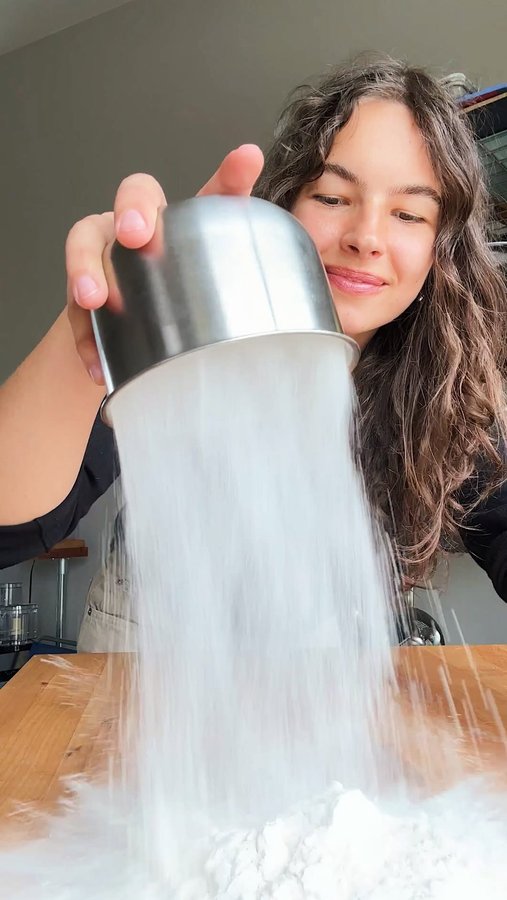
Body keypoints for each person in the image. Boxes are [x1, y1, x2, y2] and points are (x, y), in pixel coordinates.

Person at [5, 56, 507, 618]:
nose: (366, 237)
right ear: (284, 206)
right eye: (333, 198)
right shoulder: (190, 342)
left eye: (409, 215)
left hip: (343, 689)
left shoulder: (451, 394)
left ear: (443, 252)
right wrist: (97, 324)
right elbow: (12, 533)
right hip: (146, 681)